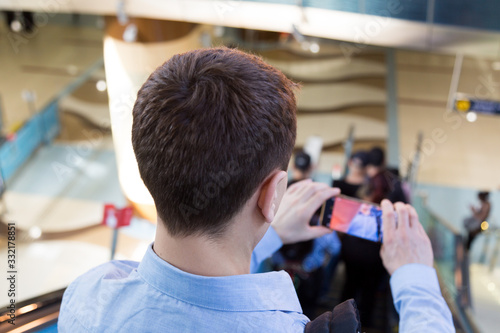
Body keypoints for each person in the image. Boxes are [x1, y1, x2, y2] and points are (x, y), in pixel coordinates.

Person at [58, 48, 453, 332]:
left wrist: (271, 232)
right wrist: (415, 277)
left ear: (147, 169)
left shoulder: (88, 294)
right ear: (273, 194)